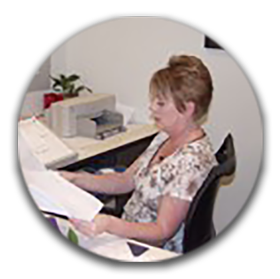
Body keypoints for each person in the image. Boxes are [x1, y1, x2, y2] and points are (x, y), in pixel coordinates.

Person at [59, 54, 218, 254]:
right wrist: (76, 179)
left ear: (187, 108)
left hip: (148, 250)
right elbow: (126, 180)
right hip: (127, 233)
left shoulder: (191, 162)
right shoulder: (165, 136)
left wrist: (109, 224)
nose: (151, 107)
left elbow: (162, 232)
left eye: (160, 103)